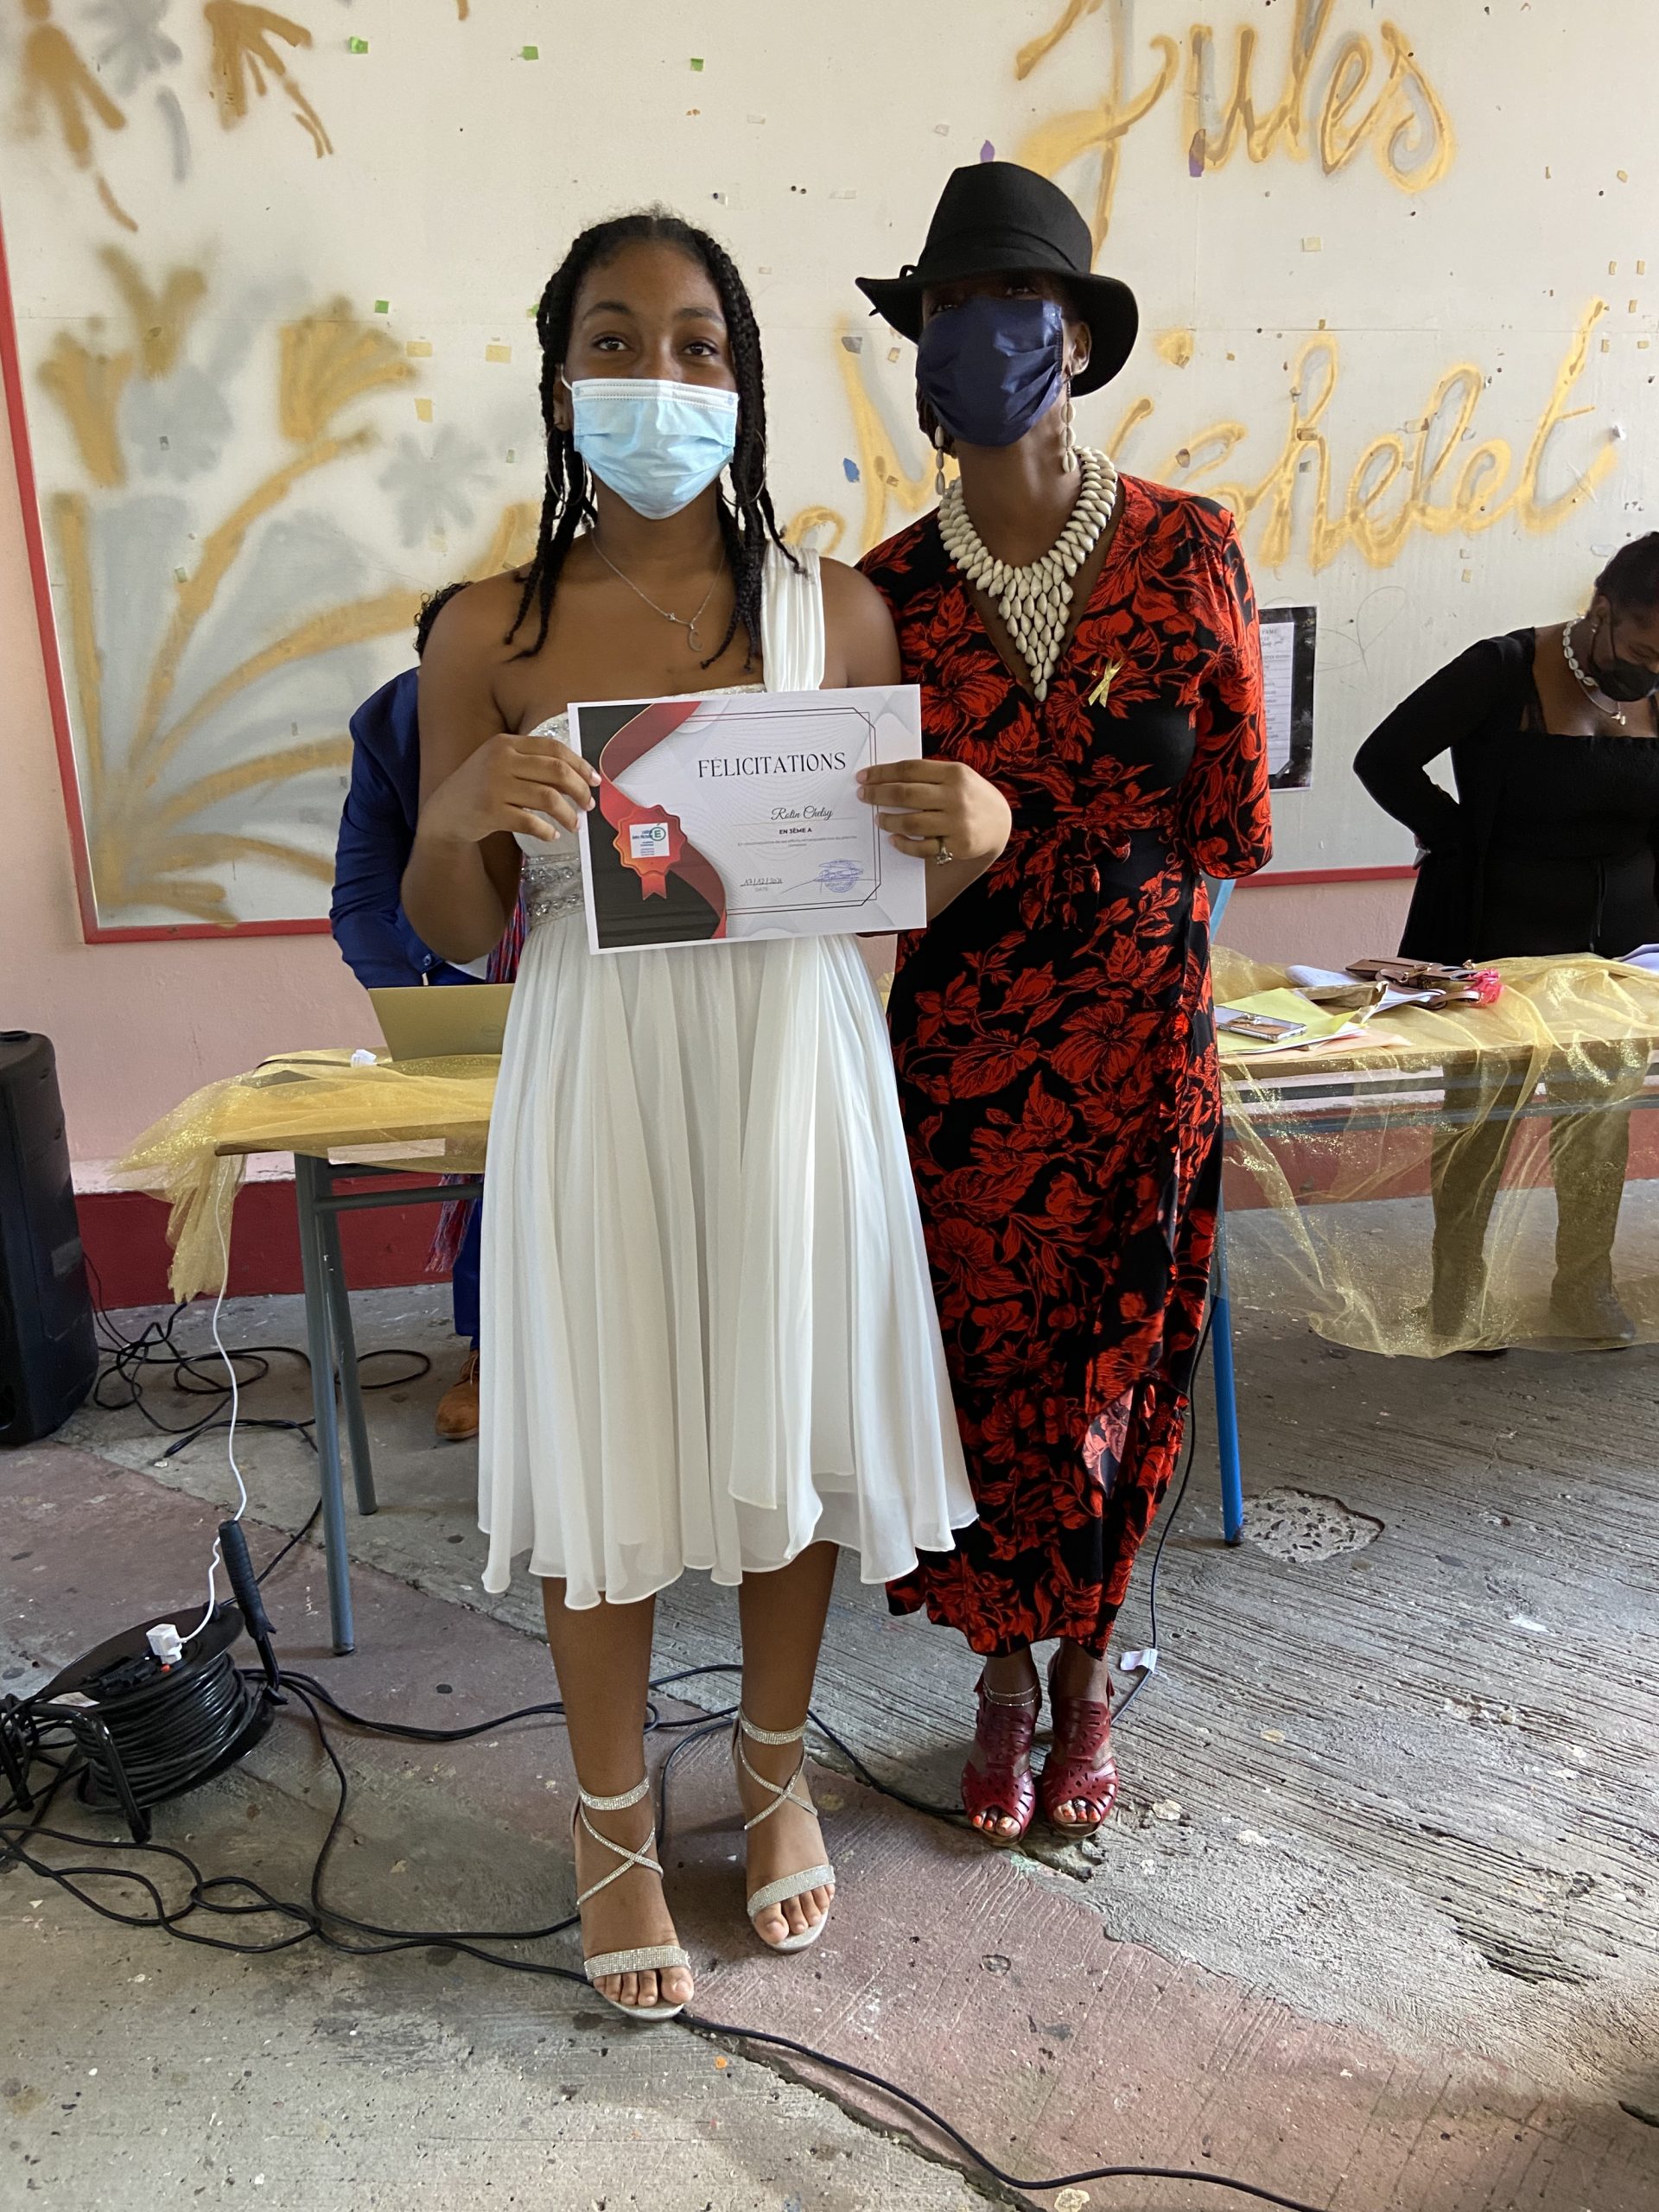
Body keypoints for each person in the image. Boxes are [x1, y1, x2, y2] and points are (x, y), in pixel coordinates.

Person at [402, 210, 995, 2021]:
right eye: (614, 340)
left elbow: (887, 885)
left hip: (793, 1061)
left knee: (781, 1424)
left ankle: (772, 1766)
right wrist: (463, 812)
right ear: (557, 381)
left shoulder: (842, 610)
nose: (656, 376)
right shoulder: (486, 630)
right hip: (598, 1066)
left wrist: (977, 837)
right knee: (610, 1441)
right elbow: (453, 926)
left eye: (696, 345)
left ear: (740, 384)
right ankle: (609, 1826)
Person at [855, 162, 1272, 1846]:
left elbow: (1231, 817)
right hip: (962, 1067)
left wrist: (1075, 857)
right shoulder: (888, 596)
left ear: (1077, 338)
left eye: (1007, 303)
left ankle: (1091, 1668)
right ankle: (1004, 1675)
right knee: (980, 1374)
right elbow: (851, 862)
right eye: (945, 308)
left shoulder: (1189, 548)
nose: (974, 334)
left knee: (1127, 1371)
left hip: (1143, 1049)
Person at [1355, 534, 1659, 1347]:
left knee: (1598, 1115)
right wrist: (1457, 838)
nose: (1651, 673)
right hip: (1495, 934)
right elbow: (1383, 759)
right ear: (1602, 609)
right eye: (1642, 651)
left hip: (1620, 953)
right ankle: (1459, 1293)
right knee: (1481, 1119)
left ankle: (1584, 1288)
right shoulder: (1500, 668)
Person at [330, 632, 521, 1440]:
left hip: (603, 959)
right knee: (495, 1154)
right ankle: (492, 1349)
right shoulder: (393, 727)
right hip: (469, 968)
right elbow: (363, 895)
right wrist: (420, 1004)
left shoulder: (592, 693)